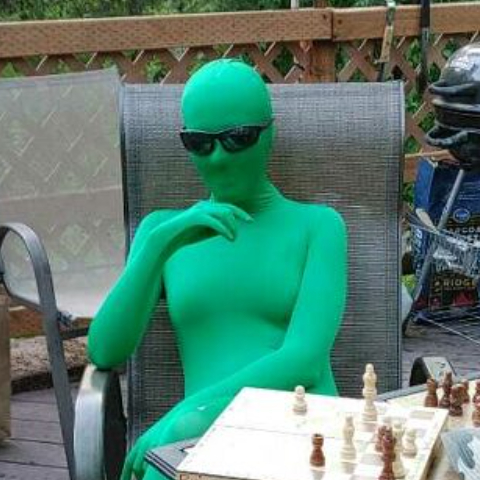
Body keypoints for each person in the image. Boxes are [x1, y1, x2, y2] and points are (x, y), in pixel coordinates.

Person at [87, 58, 348, 480]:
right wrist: (158, 245)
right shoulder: (164, 233)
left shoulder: (318, 226)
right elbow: (105, 351)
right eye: (200, 143)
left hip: (301, 424)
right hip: (202, 442)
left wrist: (185, 414)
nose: (219, 158)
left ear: (269, 134)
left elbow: (305, 359)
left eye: (238, 138)